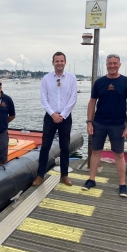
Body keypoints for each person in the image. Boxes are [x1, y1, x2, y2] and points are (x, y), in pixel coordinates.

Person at [82, 54, 127, 197]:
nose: (112, 66)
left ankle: (122, 184)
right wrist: (89, 122)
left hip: (118, 124)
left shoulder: (126, 82)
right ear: (106, 65)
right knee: (95, 152)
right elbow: (92, 102)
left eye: (115, 63)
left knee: (119, 154)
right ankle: (91, 179)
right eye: (109, 63)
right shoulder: (99, 82)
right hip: (99, 123)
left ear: (119, 65)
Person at [32, 51, 78, 186]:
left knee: (65, 147)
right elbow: (44, 99)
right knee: (45, 146)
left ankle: (64, 175)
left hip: (65, 116)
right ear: (53, 63)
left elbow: (73, 98)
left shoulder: (72, 78)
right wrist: (53, 114)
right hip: (50, 116)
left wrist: (62, 115)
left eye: (61, 61)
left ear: (65, 62)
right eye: (56, 61)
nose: (59, 63)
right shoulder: (46, 79)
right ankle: (40, 175)